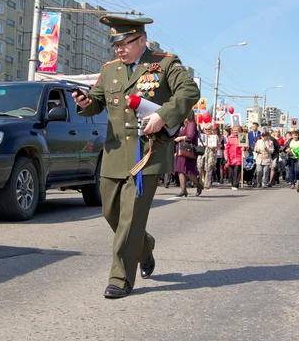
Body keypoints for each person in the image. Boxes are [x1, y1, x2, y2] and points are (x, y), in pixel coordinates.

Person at [72, 16, 200, 299]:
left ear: (141, 40)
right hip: (115, 154)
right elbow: (97, 102)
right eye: (115, 43)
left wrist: (162, 115)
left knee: (130, 221)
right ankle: (145, 246)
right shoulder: (110, 71)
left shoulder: (164, 63)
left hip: (147, 155)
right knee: (111, 214)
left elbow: (189, 92)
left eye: (125, 42)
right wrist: (85, 103)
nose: (119, 48)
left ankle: (120, 279)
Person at [173, 111, 203, 197]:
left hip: (187, 151)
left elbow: (190, 136)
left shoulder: (192, 124)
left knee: (187, 171)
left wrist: (180, 138)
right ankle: (183, 190)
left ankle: (198, 185)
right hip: (182, 150)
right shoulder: (187, 125)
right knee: (180, 170)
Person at [226, 125, 244, 190]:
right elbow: (226, 148)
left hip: (239, 157)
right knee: (230, 173)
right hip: (231, 158)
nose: (236, 132)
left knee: (236, 171)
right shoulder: (229, 138)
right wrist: (226, 156)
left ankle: (236, 184)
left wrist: (244, 148)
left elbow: (246, 146)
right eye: (234, 130)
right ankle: (233, 183)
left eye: (237, 130)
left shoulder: (242, 137)